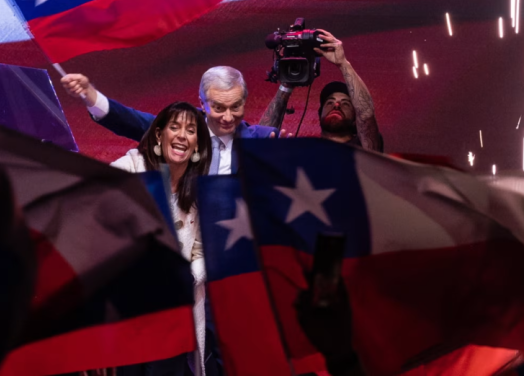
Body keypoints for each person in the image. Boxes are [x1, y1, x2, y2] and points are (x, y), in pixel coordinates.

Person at [110, 101, 214, 376]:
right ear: (159, 135)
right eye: (174, 127)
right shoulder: (130, 167)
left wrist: (186, 276)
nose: (182, 135)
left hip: (174, 315)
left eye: (191, 130)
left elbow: (204, 252)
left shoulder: (201, 190)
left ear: (197, 144)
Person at [61, 66, 279, 175]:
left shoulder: (264, 140)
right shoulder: (178, 129)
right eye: (219, 108)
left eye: (236, 107)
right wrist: (89, 94)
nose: (229, 117)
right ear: (202, 104)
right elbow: (132, 121)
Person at [260, 29, 383, 152]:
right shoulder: (304, 151)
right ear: (320, 114)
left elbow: (366, 114)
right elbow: (259, 139)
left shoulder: (365, 150)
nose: (336, 105)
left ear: (355, 120)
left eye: (346, 103)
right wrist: (286, 85)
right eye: (329, 102)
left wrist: (343, 64)